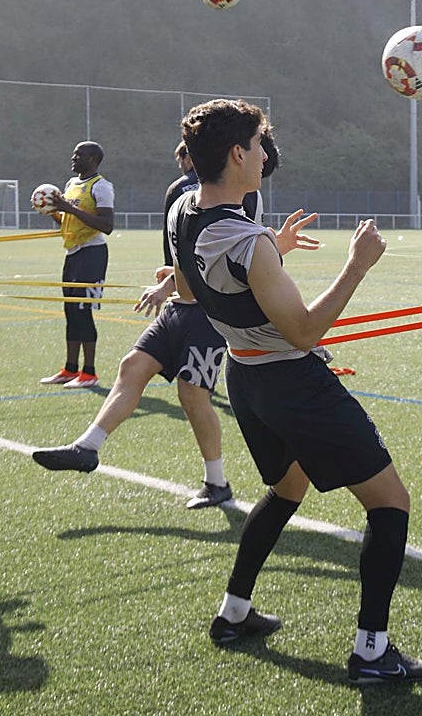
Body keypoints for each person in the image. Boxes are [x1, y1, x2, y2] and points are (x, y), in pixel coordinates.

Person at [169, 99, 422, 684]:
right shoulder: (248, 240)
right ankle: (372, 652)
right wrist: (357, 265)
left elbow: (196, 289)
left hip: (246, 379)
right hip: (293, 381)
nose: (267, 154)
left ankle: (234, 613)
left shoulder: (182, 212)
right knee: (391, 503)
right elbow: (305, 331)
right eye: (261, 144)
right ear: (239, 154)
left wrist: (269, 251)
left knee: (288, 488)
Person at [30, 134, 319, 512]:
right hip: (180, 305)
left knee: (193, 395)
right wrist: (170, 282)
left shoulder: (239, 196)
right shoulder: (190, 195)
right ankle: (87, 447)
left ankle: (217, 482)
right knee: (132, 366)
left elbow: (226, 255)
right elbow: (194, 252)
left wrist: (169, 283)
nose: (184, 155)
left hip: (209, 312)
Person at [37, 141, 115, 388]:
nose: (73, 158)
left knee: (83, 312)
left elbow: (107, 225)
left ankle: (89, 373)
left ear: (92, 158)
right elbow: (68, 221)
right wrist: (53, 212)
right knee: (70, 312)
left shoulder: (101, 186)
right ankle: (70, 369)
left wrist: (66, 207)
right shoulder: (71, 185)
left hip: (92, 254)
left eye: (78, 154)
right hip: (72, 254)